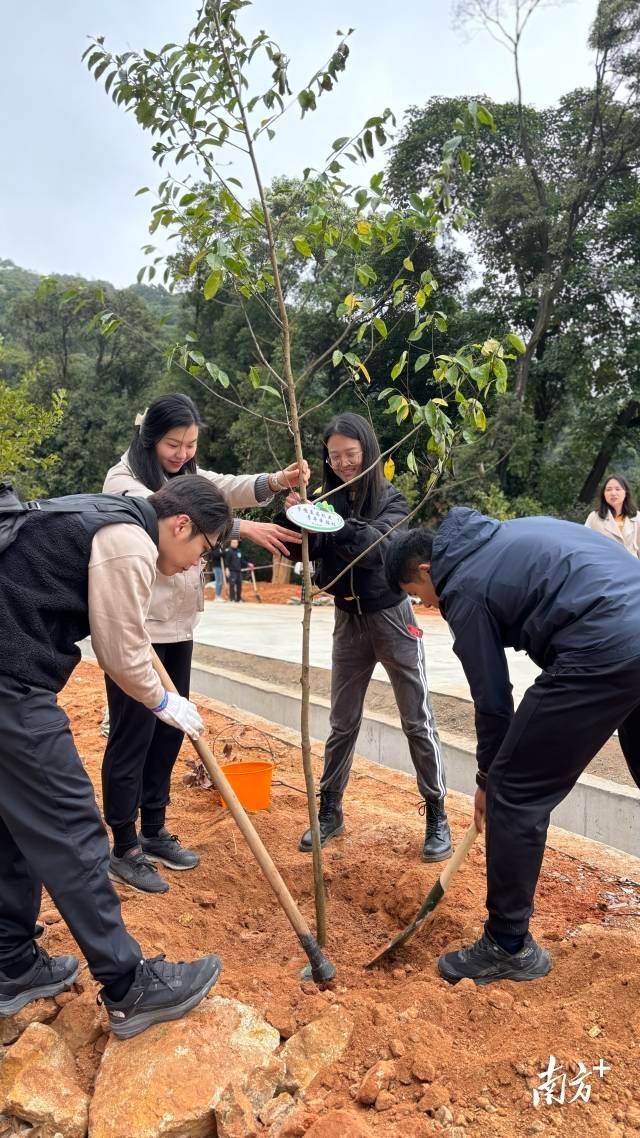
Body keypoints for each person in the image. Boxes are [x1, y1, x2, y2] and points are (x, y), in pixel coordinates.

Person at [0, 475, 232, 1038]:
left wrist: (166, 692)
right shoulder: (131, 542)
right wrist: (162, 701)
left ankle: (10, 964)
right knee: (72, 825)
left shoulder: (107, 512)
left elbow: (128, 636)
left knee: (14, 825)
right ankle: (130, 987)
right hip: (10, 685)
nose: (193, 563)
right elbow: (120, 649)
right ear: (182, 526)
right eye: (203, 549)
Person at [385, 507, 640, 986]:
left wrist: (489, 782)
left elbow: (494, 702)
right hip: (629, 627)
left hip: (604, 645)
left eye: (418, 596)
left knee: (515, 793)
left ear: (425, 570)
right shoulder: (508, 535)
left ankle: (507, 946)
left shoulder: (463, 585)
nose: (428, 604)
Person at [102, 393, 307, 894]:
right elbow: (166, 514)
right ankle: (123, 844)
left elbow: (220, 487)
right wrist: (239, 526)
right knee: (134, 734)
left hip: (179, 625)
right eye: (175, 444)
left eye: (191, 445)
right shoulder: (123, 481)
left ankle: (153, 829)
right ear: (151, 438)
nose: (183, 454)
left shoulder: (185, 474)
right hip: (139, 627)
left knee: (170, 731)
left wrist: (274, 483)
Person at [282, 412, 449, 862]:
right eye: (334, 456)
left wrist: (331, 522)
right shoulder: (325, 496)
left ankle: (436, 811)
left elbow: (378, 548)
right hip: (347, 620)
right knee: (342, 722)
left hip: (391, 618)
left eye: (350, 455)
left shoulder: (392, 498)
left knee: (417, 718)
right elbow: (313, 548)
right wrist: (299, 515)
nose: (342, 464)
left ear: (368, 451)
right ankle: (330, 808)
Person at [585, 474, 639, 557]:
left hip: (631, 567)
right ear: (604, 494)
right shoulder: (594, 517)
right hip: (604, 567)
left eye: (618, 489)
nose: (613, 493)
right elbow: (585, 545)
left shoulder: (637, 517)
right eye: (608, 490)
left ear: (625, 492)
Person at [224, 538, 252, 602]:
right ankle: (232, 598)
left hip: (238, 570)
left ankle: (238, 599)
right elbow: (226, 561)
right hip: (232, 570)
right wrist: (227, 569)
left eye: (236, 542)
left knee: (239, 584)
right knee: (232, 584)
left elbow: (241, 560)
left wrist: (248, 564)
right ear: (231, 543)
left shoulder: (238, 551)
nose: (235, 544)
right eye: (233, 542)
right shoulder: (229, 551)